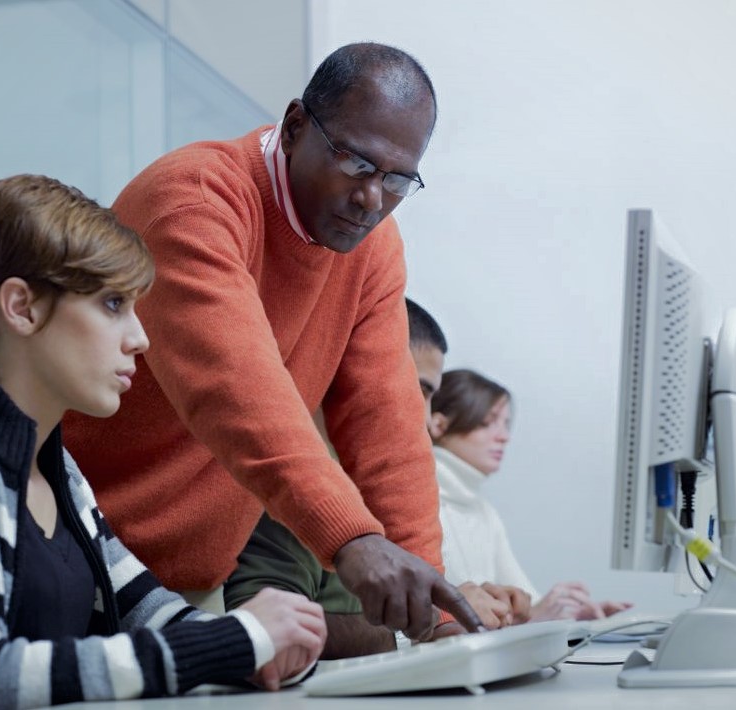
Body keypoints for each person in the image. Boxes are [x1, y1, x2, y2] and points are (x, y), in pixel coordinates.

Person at [63, 42, 480, 639]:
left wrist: (436, 613)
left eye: (397, 179)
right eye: (358, 164)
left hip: (188, 587)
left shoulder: (372, 248)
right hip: (83, 560)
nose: (371, 199)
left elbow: (387, 424)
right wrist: (355, 540)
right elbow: (237, 391)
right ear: (293, 127)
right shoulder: (194, 199)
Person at [0, 174, 327, 708]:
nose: (140, 339)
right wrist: (235, 639)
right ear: (21, 307)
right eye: (113, 304)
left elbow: (146, 609)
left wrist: (255, 651)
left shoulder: (60, 470)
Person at [226, 299, 530, 657]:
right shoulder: (301, 482)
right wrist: (420, 629)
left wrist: (466, 608)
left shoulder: (402, 493)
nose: (430, 419)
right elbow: (264, 631)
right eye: (417, 390)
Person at [430, 368, 632, 622]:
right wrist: (535, 618)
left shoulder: (483, 511)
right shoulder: (418, 503)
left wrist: (566, 615)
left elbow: (526, 605)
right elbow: (435, 627)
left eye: (506, 424)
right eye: (487, 422)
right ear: (438, 425)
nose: (504, 436)